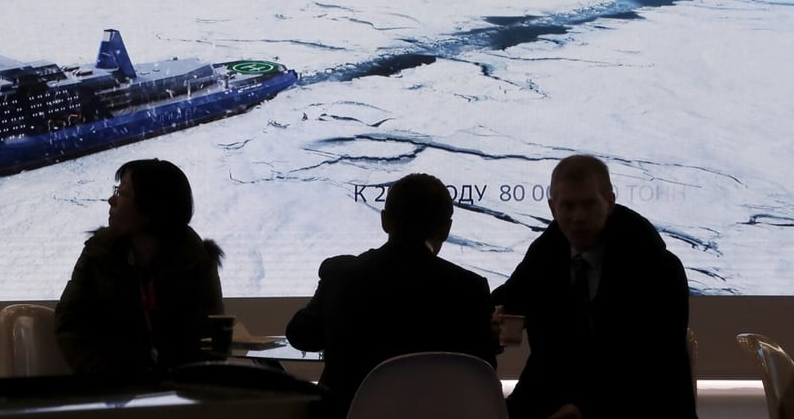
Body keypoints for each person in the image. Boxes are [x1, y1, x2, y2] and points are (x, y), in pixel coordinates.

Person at [492, 154, 696, 419]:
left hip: (640, 405)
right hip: (555, 400)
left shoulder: (657, 268)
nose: (578, 217)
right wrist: (493, 320)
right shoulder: (545, 254)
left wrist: (583, 410)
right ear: (552, 208)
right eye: (568, 207)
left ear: (610, 202)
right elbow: (509, 302)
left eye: (588, 205)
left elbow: (651, 365)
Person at [286, 173, 499, 418]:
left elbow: (301, 336)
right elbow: (482, 370)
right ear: (446, 229)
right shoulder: (469, 288)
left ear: (385, 221)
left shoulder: (341, 274)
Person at [54, 158, 225, 381]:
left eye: (122, 193)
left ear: (152, 208)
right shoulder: (98, 252)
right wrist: (101, 374)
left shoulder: (195, 260)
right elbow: (70, 322)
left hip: (180, 393)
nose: (111, 200)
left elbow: (209, 337)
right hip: (109, 388)